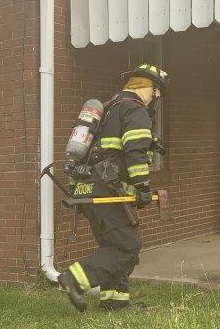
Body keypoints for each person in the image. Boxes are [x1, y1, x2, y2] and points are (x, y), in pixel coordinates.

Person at [57, 63, 169, 312]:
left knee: (112, 247)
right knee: (127, 248)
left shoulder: (109, 108)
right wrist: (142, 186)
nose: (155, 99)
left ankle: (114, 301)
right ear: (150, 88)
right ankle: (73, 279)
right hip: (108, 190)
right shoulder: (135, 109)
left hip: (86, 189)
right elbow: (135, 151)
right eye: (157, 93)